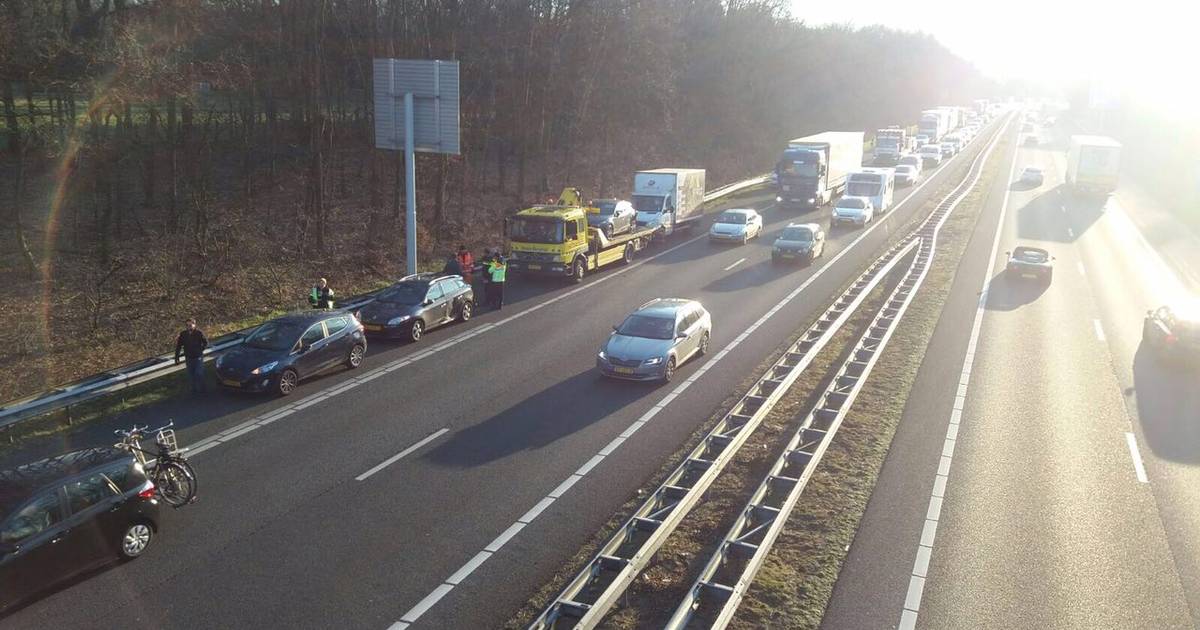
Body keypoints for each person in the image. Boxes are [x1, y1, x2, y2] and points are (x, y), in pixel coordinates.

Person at [175, 318, 209, 394]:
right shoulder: (183, 334)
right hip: (189, 358)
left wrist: (200, 350)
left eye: (190, 325)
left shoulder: (199, 333)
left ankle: (203, 389)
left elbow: (206, 343)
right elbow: (179, 346)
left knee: (199, 373)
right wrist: (176, 357)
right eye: (187, 325)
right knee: (191, 375)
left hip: (198, 357)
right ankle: (194, 391)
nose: (188, 327)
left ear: (194, 325)